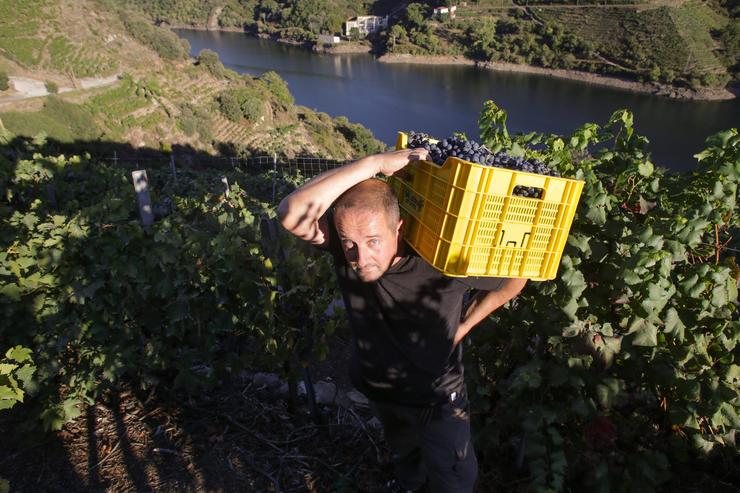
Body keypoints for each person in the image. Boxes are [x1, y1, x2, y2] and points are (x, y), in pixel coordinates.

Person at [277, 148, 527, 492]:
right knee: (405, 457)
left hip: (436, 398)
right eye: (349, 242)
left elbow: (517, 278)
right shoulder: (342, 247)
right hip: (378, 386)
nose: (360, 257)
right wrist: (374, 164)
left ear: (399, 227)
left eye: (373, 241)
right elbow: (290, 212)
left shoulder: (442, 262)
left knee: (454, 479)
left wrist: (466, 325)